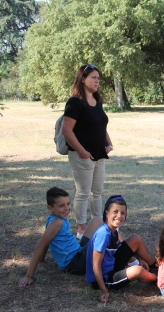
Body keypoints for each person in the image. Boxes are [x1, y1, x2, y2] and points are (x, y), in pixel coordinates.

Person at [62, 64, 113, 239]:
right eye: (93, 77)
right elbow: (66, 130)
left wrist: (109, 143)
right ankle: (82, 229)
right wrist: (82, 151)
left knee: (97, 191)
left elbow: (101, 125)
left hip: (99, 154)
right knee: (83, 192)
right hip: (81, 155)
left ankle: (97, 223)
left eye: (98, 78)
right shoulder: (75, 102)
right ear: (83, 79)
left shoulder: (97, 100)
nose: (97, 80)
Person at [18, 187, 103, 287]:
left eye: (68, 203)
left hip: (78, 251)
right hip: (74, 264)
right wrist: (29, 276)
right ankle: (123, 254)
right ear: (50, 208)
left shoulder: (59, 218)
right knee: (104, 235)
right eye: (61, 205)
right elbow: (40, 247)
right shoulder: (57, 222)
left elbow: (48, 241)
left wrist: (42, 259)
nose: (67, 208)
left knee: (96, 220)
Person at [86, 195, 158, 303]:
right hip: (105, 277)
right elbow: (95, 265)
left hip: (112, 264)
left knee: (135, 238)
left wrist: (141, 257)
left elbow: (119, 248)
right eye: (115, 212)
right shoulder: (103, 234)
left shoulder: (112, 230)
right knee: (138, 271)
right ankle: (159, 277)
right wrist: (104, 291)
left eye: (123, 213)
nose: (119, 216)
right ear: (107, 213)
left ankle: (156, 266)